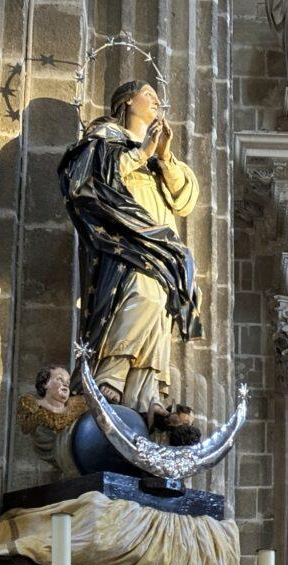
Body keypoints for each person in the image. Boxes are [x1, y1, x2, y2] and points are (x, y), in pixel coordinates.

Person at [59, 81, 202, 428]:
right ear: (126, 101)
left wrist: (163, 156)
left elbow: (185, 199)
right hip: (124, 240)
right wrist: (141, 152)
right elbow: (89, 182)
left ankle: (145, 395)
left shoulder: (161, 156)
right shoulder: (105, 139)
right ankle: (110, 377)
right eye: (148, 94)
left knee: (160, 311)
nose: (156, 100)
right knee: (142, 297)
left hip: (160, 245)